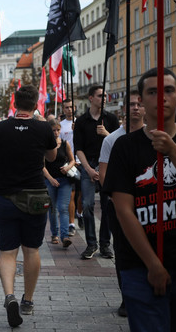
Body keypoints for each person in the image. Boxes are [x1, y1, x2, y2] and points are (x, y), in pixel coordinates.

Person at [103, 68, 176, 331]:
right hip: (140, 265)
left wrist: (172, 150)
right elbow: (124, 211)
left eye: (168, 90)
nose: (161, 97)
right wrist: (153, 264)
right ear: (141, 101)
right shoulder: (125, 146)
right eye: (152, 92)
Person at [0, 85, 57, 328]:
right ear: (35, 104)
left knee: (7, 252)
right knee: (31, 250)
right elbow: (52, 157)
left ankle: (9, 295)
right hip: (35, 197)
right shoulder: (43, 127)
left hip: (6, 198)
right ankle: (28, 301)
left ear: (14, 103)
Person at [98, 90, 146, 317]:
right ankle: (127, 297)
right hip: (120, 205)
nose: (136, 108)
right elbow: (104, 174)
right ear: (123, 109)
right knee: (123, 251)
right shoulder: (112, 139)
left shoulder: (154, 136)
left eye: (139, 104)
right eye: (131, 105)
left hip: (147, 204)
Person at [73, 85, 119, 259]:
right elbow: (79, 149)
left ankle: (105, 244)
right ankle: (91, 244)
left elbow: (120, 144)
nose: (104, 98)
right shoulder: (82, 121)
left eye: (105, 95)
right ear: (91, 98)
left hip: (107, 164)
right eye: (100, 95)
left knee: (108, 205)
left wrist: (107, 134)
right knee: (87, 204)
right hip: (89, 164)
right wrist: (89, 169)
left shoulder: (111, 119)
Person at [42, 119, 75, 248]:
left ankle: (65, 236)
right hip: (50, 181)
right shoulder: (45, 145)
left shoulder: (65, 144)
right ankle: (54, 234)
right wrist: (50, 179)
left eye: (58, 130)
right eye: (53, 130)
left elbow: (72, 160)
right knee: (53, 209)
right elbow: (42, 165)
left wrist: (67, 168)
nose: (56, 133)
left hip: (65, 180)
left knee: (63, 208)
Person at [59, 99, 80, 236]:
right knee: (71, 194)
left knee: (82, 194)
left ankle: (81, 213)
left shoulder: (81, 122)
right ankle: (72, 223)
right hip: (70, 163)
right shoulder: (60, 126)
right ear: (63, 109)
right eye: (66, 107)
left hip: (82, 161)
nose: (69, 110)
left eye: (71, 107)